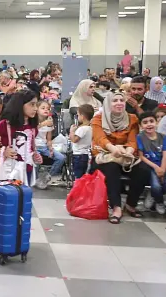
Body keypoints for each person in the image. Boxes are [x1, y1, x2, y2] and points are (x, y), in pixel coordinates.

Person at [91, 92, 149, 224]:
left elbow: (132, 140)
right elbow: (100, 139)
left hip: (125, 156)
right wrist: (113, 149)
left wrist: (128, 151)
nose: (119, 103)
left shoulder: (132, 118)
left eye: (121, 100)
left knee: (143, 170)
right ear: (107, 104)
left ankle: (130, 204)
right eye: (115, 100)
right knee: (112, 169)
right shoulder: (98, 119)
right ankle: (116, 207)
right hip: (104, 155)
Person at [0, 90, 42, 186]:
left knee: (24, 197)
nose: (35, 108)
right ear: (20, 105)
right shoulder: (6, 124)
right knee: (10, 197)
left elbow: (30, 147)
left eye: (36, 105)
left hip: (28, 169)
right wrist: (3, 151)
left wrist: (35, 155)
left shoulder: (33, 126)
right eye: (32, 104)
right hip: (9, 170)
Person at [137, 112, 166, 214]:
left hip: (163, 165)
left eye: (151, 121)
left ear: (157, 123)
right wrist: (156, 168)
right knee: (156, 186)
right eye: (145, 122)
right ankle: (159, 201)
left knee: (164, 184)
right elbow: (142, 156)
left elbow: (165, 154)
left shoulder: (163, 137)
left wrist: (162, 168)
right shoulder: (140, 137)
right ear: (141, 126)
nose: (149, 124)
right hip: (150, 166)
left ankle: (153, 194)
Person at [35, 100, 66, 189]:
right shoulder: (33, 121)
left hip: (44, 146)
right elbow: (32, 131)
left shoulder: (49, 123)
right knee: (36, 160)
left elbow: (49, 139)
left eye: (48, 109)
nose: (46, 110)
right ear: (37, 109)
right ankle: (35, 178)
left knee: (61, 158)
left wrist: (50, 148)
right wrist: (43, 124)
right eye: (43, 108)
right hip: (34, 146)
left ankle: (47, 176)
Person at [69, 104, 94, 179]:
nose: (77, 117)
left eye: (78, 115)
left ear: (82, 116)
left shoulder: (82, 129)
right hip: (85, 154)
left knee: (78, 175)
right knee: (84, 175)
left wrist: (72, 131)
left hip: (78, 155)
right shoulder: (90, 128)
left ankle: (78, 188)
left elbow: (74, 140)